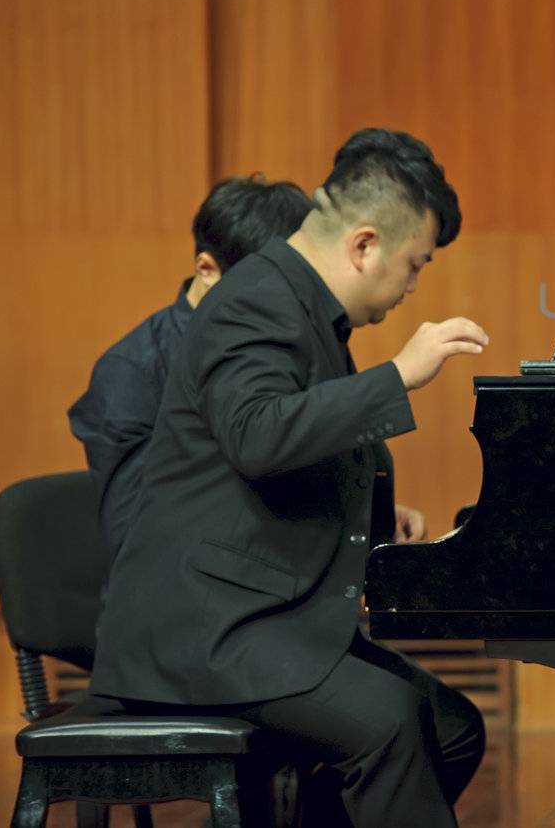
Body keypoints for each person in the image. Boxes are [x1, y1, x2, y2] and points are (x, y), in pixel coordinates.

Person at [89, 129, 490, 828]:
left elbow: (291, 442)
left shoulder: (299, 303)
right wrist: (399, 374)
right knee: (392, 721)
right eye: (414, 264)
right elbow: (258, 434)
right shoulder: (255, 300)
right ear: (365, 244)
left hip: (257, 618)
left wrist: (373, 509)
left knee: (450, 726)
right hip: (203, 631)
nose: (413, 286)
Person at [69, 175, 316, 558]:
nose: (285, 301)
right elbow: (136, 533)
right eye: (267, 284)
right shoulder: (133, 371)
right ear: (207, 269)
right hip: (178, 600)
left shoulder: (283, 345)